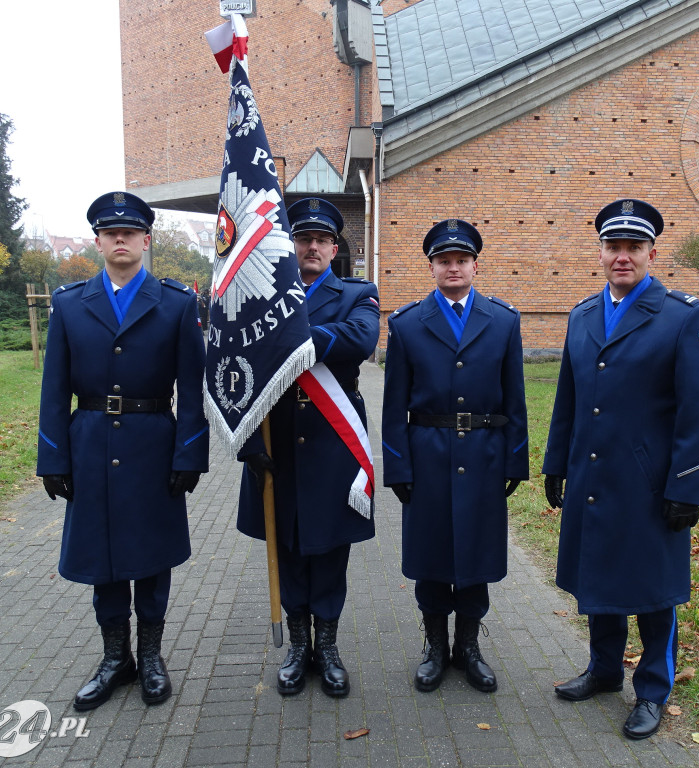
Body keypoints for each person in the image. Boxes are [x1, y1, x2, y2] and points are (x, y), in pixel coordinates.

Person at [542, 199, 699, 739]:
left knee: (654, 590)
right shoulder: (582, 315)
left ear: (652, 252)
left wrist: (688, 485)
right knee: (600, 573)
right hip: (593, 475)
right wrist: (556, 462)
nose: (622, 256)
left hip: (649, 483)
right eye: (613, 246)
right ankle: (602, 671)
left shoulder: (683, 315)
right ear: (600, 253)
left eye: (633, 247)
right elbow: (568, 396)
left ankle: (651, 691)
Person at [37, 191, 209, 711]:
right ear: (97, 240)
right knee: (102, 558)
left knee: (152, 558)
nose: (119, 239)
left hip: (153, 442)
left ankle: (151, 658)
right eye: (110, 232)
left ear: (145, 240)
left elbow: (192, 387)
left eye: (129, 232)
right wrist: (53, 458)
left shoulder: (177, 304)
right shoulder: (69, 304)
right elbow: (53, 388)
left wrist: (189, 454)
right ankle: (116, 659)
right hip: (88, 444)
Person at [237, 197, 379, 697]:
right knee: (289, 546)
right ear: (289, 246)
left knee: (329, 550)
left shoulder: (356, 293)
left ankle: (330, 647)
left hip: (331, 446)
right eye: (303, 239)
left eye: (321, 240)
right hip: (277, 444)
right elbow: (243, 373)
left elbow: (360, 340)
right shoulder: (260, 297)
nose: (311, 247)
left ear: (334, 248)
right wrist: (247, 441)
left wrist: (295, 334)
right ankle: (299, 647)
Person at [382, 219, 529, 693]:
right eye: (444, 260)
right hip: (427, 455)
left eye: (461, 260)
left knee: (475, 553)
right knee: (431, 554)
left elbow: (515, 399)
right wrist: (398, 465)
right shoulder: (406, 324)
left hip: (484, 455)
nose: (453, 267)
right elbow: (393, 406)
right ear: (432, 267)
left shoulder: (504, 321)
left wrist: (515, 460)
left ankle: (469, 646)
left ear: (475, 265)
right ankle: (434, 647)